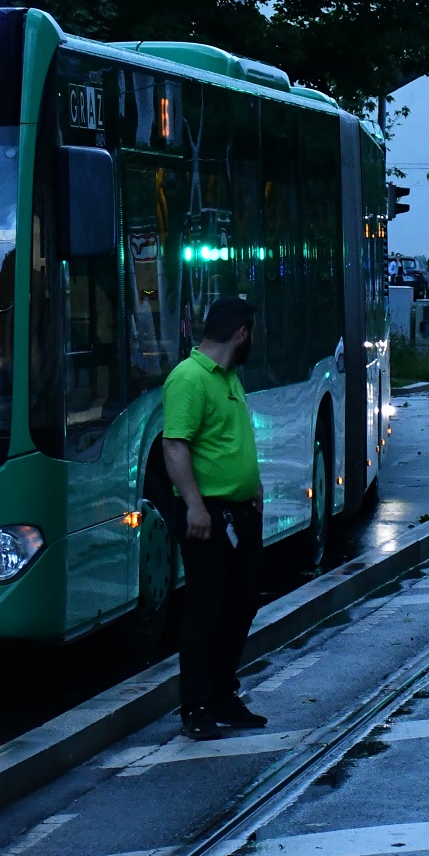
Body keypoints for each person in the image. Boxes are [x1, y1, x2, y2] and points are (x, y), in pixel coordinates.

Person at [160, 295, 266, 741]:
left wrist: (254, 487)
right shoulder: (188, 379)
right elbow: (174, 444)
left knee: (241, 603)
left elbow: (230, 439)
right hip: (209, 516)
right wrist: (195, 506)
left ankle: (223, 693)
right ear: (241, 333)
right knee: (206, 609)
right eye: (252, 333)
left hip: (241, 514)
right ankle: (196, 706)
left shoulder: (230, 376)